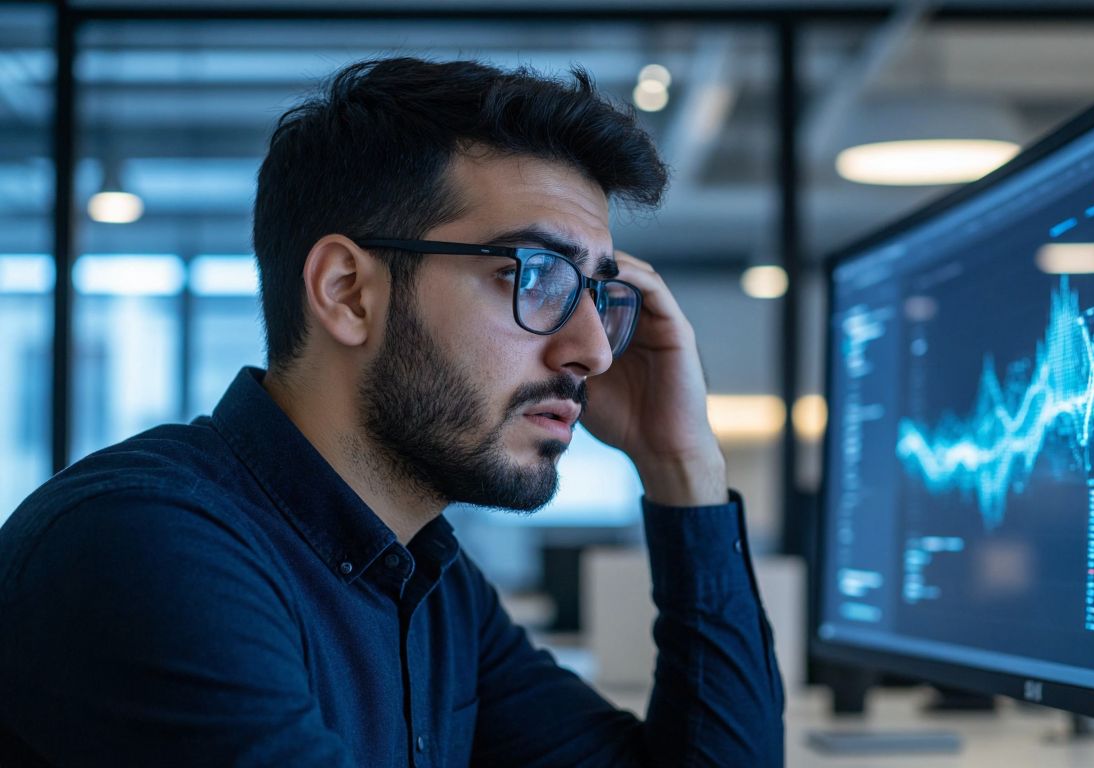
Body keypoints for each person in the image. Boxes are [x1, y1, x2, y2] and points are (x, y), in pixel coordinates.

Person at [0, 57, 784, 766]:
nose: (594, 352)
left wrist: (682, 464)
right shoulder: (143, 548)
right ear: (348, 292)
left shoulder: (429, 578)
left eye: (598, 294)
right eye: (535, 275)